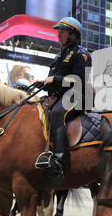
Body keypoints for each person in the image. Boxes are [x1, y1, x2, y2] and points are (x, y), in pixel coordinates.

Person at [33, 17, 91, 184]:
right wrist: (43, 83)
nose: (58, 34)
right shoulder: (59, 55)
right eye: (58, 31)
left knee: (58, 113)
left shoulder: (82, 54)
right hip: (59, 96)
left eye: (62, 31)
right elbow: (55, 82)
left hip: (78, 96)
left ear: (73, 35)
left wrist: (56, 79)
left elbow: (79, 80)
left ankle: (58, 161)